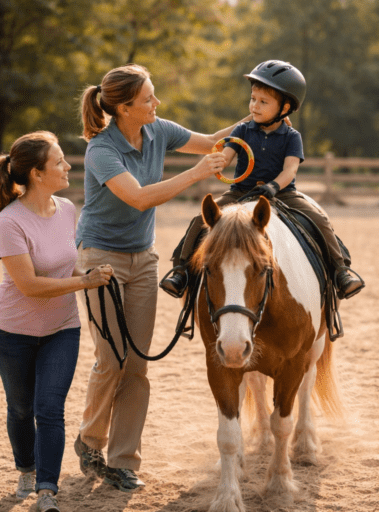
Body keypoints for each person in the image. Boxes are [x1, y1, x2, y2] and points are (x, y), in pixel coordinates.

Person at [74, 63, 251, 492]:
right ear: (123, 108)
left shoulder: (159, 129)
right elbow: (137, 198)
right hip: (100, 259)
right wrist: (195, 174)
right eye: (148, 98)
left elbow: (212, 142)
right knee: (112, 357)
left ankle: (122, 460)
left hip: (143, 259)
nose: (157, 103)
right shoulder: (102, 149)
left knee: (136, 364)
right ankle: (90, 439)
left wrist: (259, 116)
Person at [160, 59, 364, 300]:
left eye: (263, 102)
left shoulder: (292, 137)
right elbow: (226, 156)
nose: (254, 106)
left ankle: (341, 271)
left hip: (282, 193)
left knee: (319, 218)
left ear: (285, 107)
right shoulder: (242, 130)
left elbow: (290, 170)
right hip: (241, 192)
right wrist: (218, 163)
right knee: (199, 220)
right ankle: (181, 270)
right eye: (252, 99)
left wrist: (273, 186)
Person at [0, 132, 113, 512]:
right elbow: (30, 285)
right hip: (13, 332)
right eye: (60, 161)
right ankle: (26, 468)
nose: (67, 167)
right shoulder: (8, 222)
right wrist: (84, 281)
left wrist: (89, 271)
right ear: (36, 173)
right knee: (19, 409)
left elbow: (66, 263)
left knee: (49, 408)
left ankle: (47, 490)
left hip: (62, 328)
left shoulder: (66, 209)